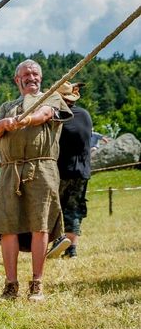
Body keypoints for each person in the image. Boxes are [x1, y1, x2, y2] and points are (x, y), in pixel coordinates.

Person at [0, 59, 72, 301]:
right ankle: (11, 284)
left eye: (35, 73)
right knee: (8, 227)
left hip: (42, 168)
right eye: (26, 74)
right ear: (17, 80)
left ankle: (37, 283)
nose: (31, 77)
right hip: (10, 170)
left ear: (41, 77)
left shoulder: (52, 98)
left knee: (40, 224)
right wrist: (5, 123)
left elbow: (44, 115)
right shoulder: (7, 105)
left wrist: (25, 120)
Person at [51, 81, 92, 259]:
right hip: (82, 171)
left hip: (62, 171)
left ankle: (58, 242)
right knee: (74, 209)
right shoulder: (84, 114)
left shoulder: (60, 117)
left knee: (56, 209)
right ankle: (71, 250)